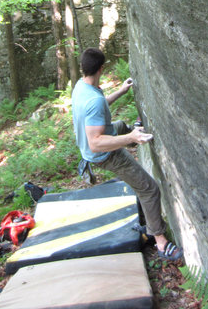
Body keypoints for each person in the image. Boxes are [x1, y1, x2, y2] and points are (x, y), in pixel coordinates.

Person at [72, 47, 183, 261]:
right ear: (101, 68)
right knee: (149, 189)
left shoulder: (81, 87)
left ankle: (132, 130)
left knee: (121, 124)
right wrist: (131, 138)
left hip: (93, 143)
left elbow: (98, 107)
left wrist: (121, 91)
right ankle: (160, 242)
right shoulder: (93, 100)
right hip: (105, 155)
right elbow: (96, 143)